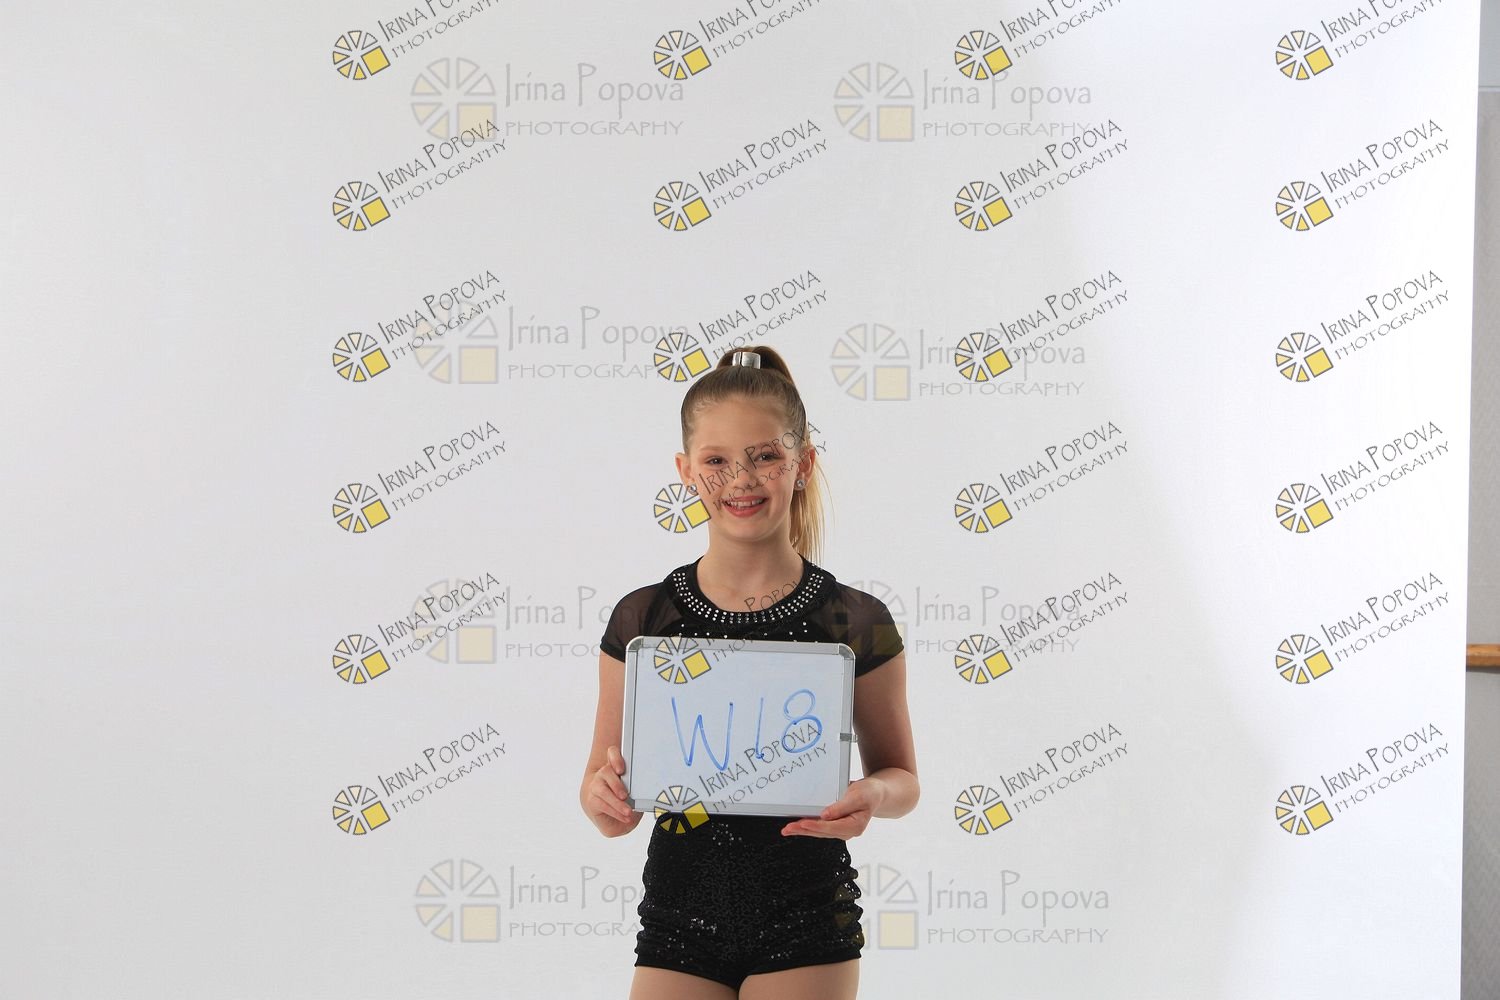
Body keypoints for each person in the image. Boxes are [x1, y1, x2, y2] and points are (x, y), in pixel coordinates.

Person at [579, 345, 919, 1000]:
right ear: (685, 470)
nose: (741, 479)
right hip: (677, 918)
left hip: (807, 918)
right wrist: (605, 802)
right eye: (716, 461)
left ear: (803, 464)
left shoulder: (856, 618)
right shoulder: (642, 618)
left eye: (765, 456)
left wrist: (873, 795)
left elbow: (902, 778)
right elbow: (604, 792)